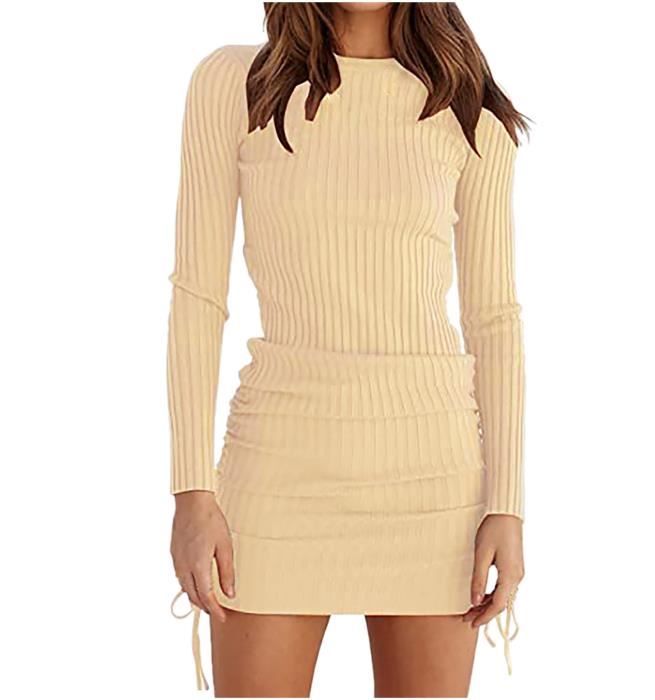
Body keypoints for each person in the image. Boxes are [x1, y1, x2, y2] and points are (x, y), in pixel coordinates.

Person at [167, 2, 528, 696]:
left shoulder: (468, 108)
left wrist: (506, 505)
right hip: (275, 474)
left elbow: (494, 319)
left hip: (433, 485)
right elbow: (197, 297)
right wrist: (191, 491)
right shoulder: (236, 84)